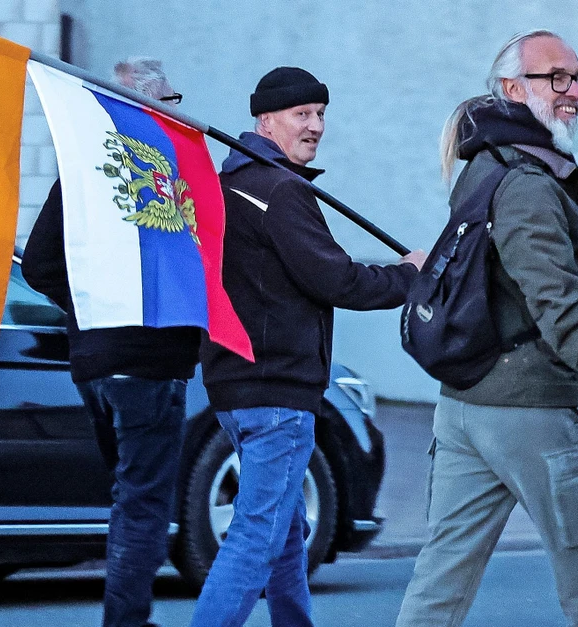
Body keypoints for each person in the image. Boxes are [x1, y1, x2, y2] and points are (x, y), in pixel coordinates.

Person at [395, 30, 578, 627]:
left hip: (463, 405)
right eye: (556, 78)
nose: (573, 91)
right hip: (531, 413)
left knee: (439, 586)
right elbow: (564, 313)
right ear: (512, 88)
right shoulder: (527, 185)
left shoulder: (485, 164)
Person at [190, 67, 424, 627]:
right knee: (258, 535)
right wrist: (410, 275)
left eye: (320, 114)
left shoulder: (228, 184)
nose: (315, 125)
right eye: (302, 114)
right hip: (277, 390)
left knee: (286, 530)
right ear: (265, 120)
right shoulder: (281, 191)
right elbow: (337, 280)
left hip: (234, 386)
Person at [21, 57, 197, 627]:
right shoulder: (169, 174)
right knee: (144, 500)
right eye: (172, 99)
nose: (179, 109)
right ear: (150, 104)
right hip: (151, 360)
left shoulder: (82, 168)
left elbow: (39, 264)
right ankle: (127, 622)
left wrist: (92, 304)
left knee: (129, 493)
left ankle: (127, 616)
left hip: (96, 361)